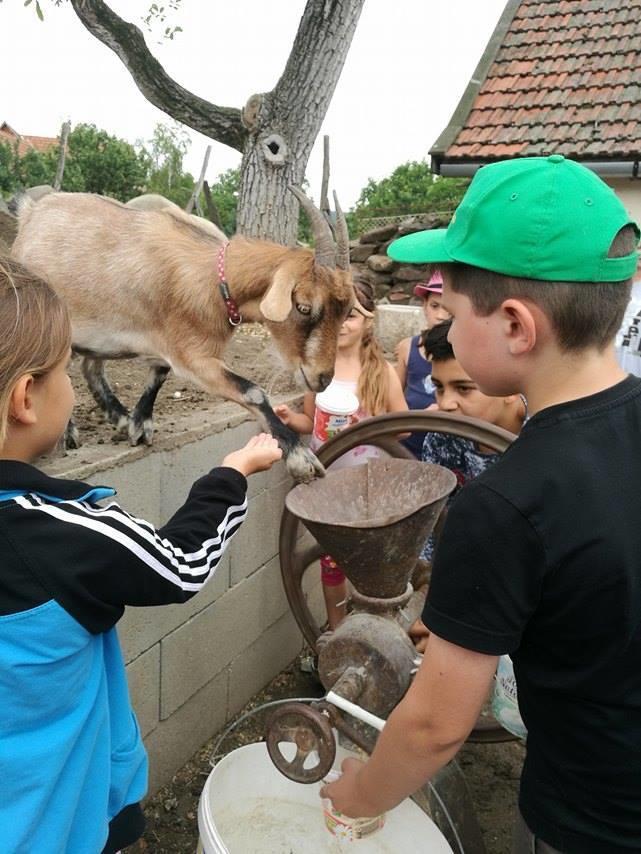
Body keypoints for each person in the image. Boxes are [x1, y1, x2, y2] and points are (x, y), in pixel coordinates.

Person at [320, 155, 641, 854]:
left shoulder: (503, 504)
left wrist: (361, 791)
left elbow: (435, 724)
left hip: (594, 817)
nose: (443, 327)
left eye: (453, 313)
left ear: (516, 327)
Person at [0, 256, 282, 854]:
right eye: (66, 371)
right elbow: (179, 563)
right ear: (26, 397)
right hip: (62, 818)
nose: (74, 385)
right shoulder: (66, 535)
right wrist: (231, 473)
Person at [275, 277, 407, 629]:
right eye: (334, 315)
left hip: (371, 487)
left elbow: (404, 426)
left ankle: (374, 627)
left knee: (371, 561)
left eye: (350, 315)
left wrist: (366, 427)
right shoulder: (319, 371)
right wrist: (291, 419)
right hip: (328, 485)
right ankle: (336, 631)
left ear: (368, 321)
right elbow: (310, 421)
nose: (342, 323)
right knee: (331, 562)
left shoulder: (382, 373)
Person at [409, 318, 526, 653]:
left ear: (512, 385)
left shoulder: (545, 439)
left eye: (463, 388)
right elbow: (432, 525)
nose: (445, 403)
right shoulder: (443, 440)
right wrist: (433, 601)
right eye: (439, 387)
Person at [394, 270, 452, 457]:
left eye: (449, 308)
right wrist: (419, 417)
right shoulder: (407, 347)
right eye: (435, 306)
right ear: (424, 306)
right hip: (407, 446)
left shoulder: (467, 354)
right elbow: (392, 398)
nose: (442, 315)